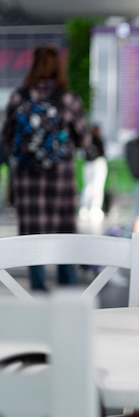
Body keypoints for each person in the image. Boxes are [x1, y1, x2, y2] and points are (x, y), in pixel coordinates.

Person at [0, 44, 91, 291]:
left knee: (32, 236)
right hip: (60, 179)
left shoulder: (19, 97)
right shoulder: (68, 99)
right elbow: (84, 141)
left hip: (26, 180)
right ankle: (68, 294)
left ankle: (38, 294)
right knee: (63, 237)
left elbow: (6, 137)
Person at [79, 124, 108, 222]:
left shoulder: (88, 140)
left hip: (88, 164)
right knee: (96, 186)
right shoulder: (98, 140)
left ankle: (86, 207)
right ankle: (94, 208)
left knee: (89, 186)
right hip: (97, 163)